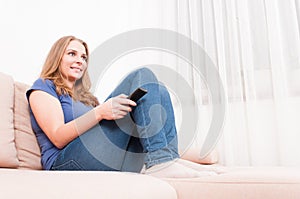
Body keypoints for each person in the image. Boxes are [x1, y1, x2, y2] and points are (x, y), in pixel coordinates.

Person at [26, 35, 217, 178]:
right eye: (72, 54)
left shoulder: (87, 98)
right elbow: (58, 137)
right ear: (57, 58)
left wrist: (99, 110)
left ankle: (167, 160)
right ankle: (162, 162)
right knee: (141, 75)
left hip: (101, 157)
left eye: (84, 57)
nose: (80, 61)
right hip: (64, 163)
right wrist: (100, 112)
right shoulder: (44, 86)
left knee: (155, 88)